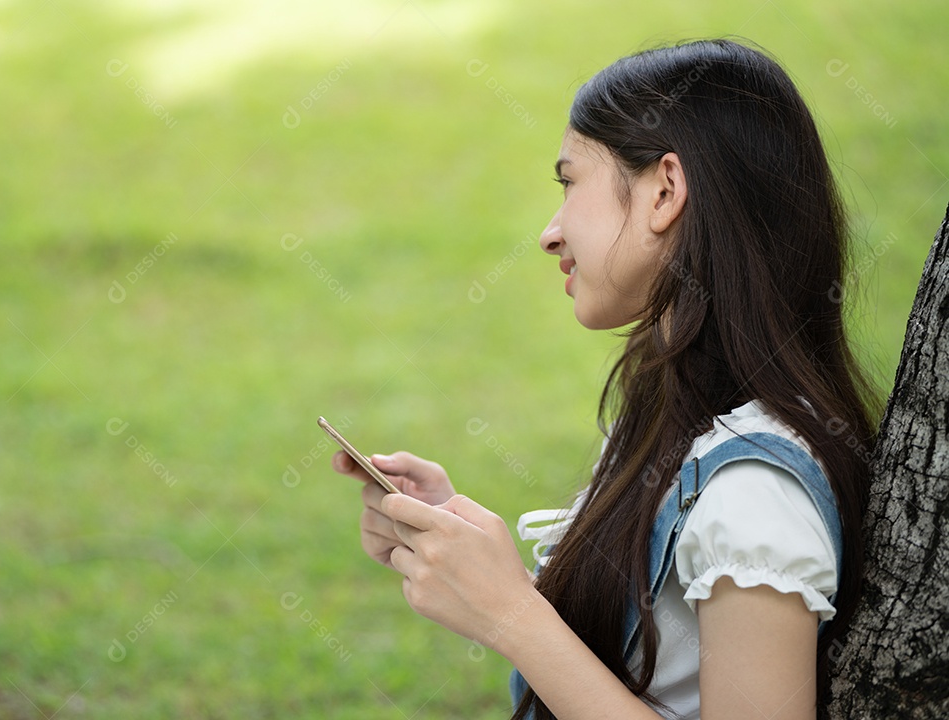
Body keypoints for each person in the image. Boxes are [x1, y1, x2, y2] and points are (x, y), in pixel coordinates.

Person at [331, 38, 876, 720]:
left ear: (665, 191)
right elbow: (646, 667)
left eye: (569, 182)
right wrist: (467, 561)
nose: (550, 234)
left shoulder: (755, 490)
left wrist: (511, 614)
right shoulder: (683, 411)